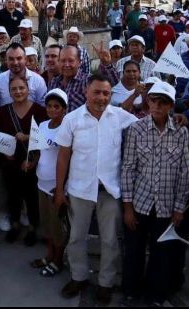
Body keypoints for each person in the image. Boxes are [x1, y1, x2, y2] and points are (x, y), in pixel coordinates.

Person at [54, 74, 138, 304]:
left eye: (106, 93)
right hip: (79, 190)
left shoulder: (120, 116)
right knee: (76, 237)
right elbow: (63, 157)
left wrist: (179, 117)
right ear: (86, 93)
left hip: (109, 191)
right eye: (97, 92)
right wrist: (59, 191)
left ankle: (105, 283)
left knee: (110, 240)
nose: (101, 97)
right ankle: (78, 277)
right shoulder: (72, 119)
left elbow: (145, 124)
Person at [121, 81, 189, 305]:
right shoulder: (136, 129)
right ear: (148, 101)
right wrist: (128, 207)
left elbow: (184, 171)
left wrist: (179, 207)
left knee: (161, 253)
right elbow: (128, 168)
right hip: (140, 203)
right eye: (153, 101)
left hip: (166, 205)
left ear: (171, 106)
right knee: (134, 251)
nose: (157, 107)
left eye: (163, 103)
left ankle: (155, 294)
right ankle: (131, 290)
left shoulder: (181, 132)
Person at [0, 76, 48, 244]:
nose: (18, 92)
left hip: (32, 162)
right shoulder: (3, 111)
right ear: (9, 92)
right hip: (10, 162)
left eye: (21, 88)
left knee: (32, 197)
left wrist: (34, 160)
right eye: (14, 89)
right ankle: (15, 225)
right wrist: (3, 153)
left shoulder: (39, 111)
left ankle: (32, 228)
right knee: (12, 195)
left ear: (28, 89)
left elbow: (44, 138)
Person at [32, 89, 68, 278]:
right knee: (47, 225)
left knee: (57, 228)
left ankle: (58, 260)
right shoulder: (43, 125)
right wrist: (31, 163)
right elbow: (39, 152)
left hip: (56, 187)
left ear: (64, 109)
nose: (52, 110)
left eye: (57, 107)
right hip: (41, 184)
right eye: (49, 106)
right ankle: (49, 255)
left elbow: (69, 159)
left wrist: (62, 188)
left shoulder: (67, 129)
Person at [0, 43, 48, 107]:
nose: (15, 62)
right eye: (11, 59)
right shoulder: (0, 79)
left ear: (25, 59)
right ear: (6, 60)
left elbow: (42, 107)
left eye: (19, 58)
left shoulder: (38, 81)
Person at [48, 45, 88, 112]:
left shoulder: (87, 81)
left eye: (71, 61)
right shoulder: (54, 83)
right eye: (63, 61)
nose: (66, 65)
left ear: (79, 62)